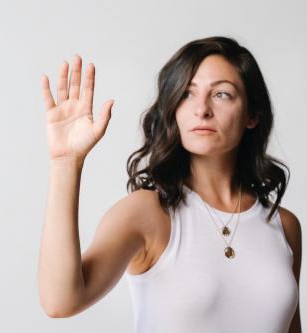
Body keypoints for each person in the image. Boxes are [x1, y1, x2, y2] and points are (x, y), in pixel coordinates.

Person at [37, 36, 301, 332]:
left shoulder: (284, 225)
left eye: (222, 94)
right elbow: (61, 301)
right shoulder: (146, 213)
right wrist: (66, 163)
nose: (201, 109)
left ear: (252, 114)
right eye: (187, 93)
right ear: (173, 108)